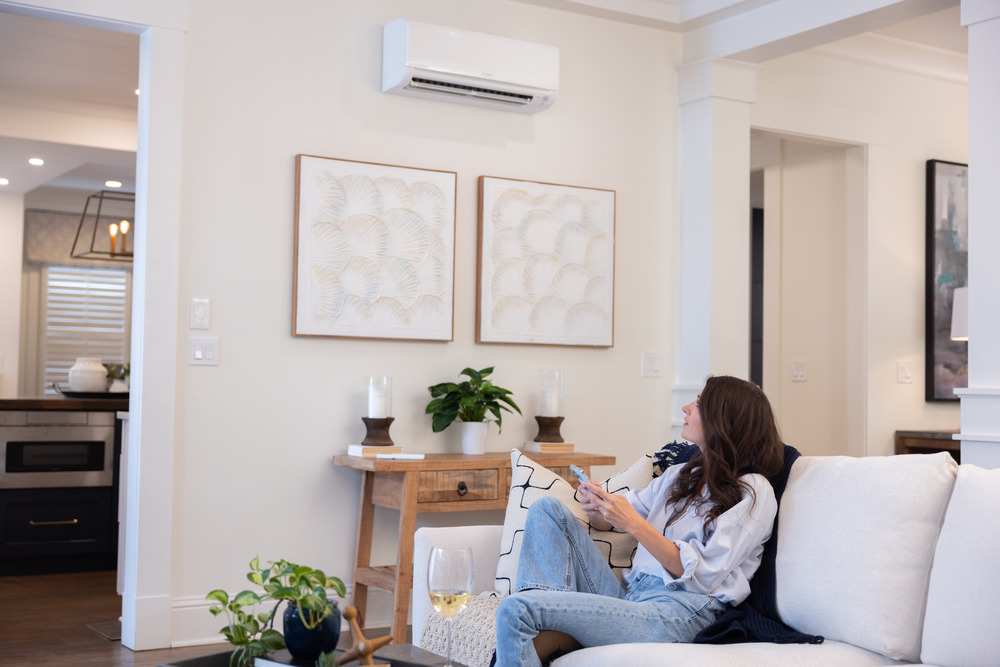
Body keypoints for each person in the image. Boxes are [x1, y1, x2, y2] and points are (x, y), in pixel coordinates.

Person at [494, 375, 785, 667]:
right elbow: (614, 521)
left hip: (680, 612)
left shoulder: (752, 491)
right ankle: (552, 620)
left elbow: (704, 575)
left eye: (697, 404)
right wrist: (598, 506)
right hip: (632, 599)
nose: (685, 408)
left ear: (724, 420)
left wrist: (634, 523)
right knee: (548, 510)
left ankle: (546, 623)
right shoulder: (680, 475)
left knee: (515, 610)